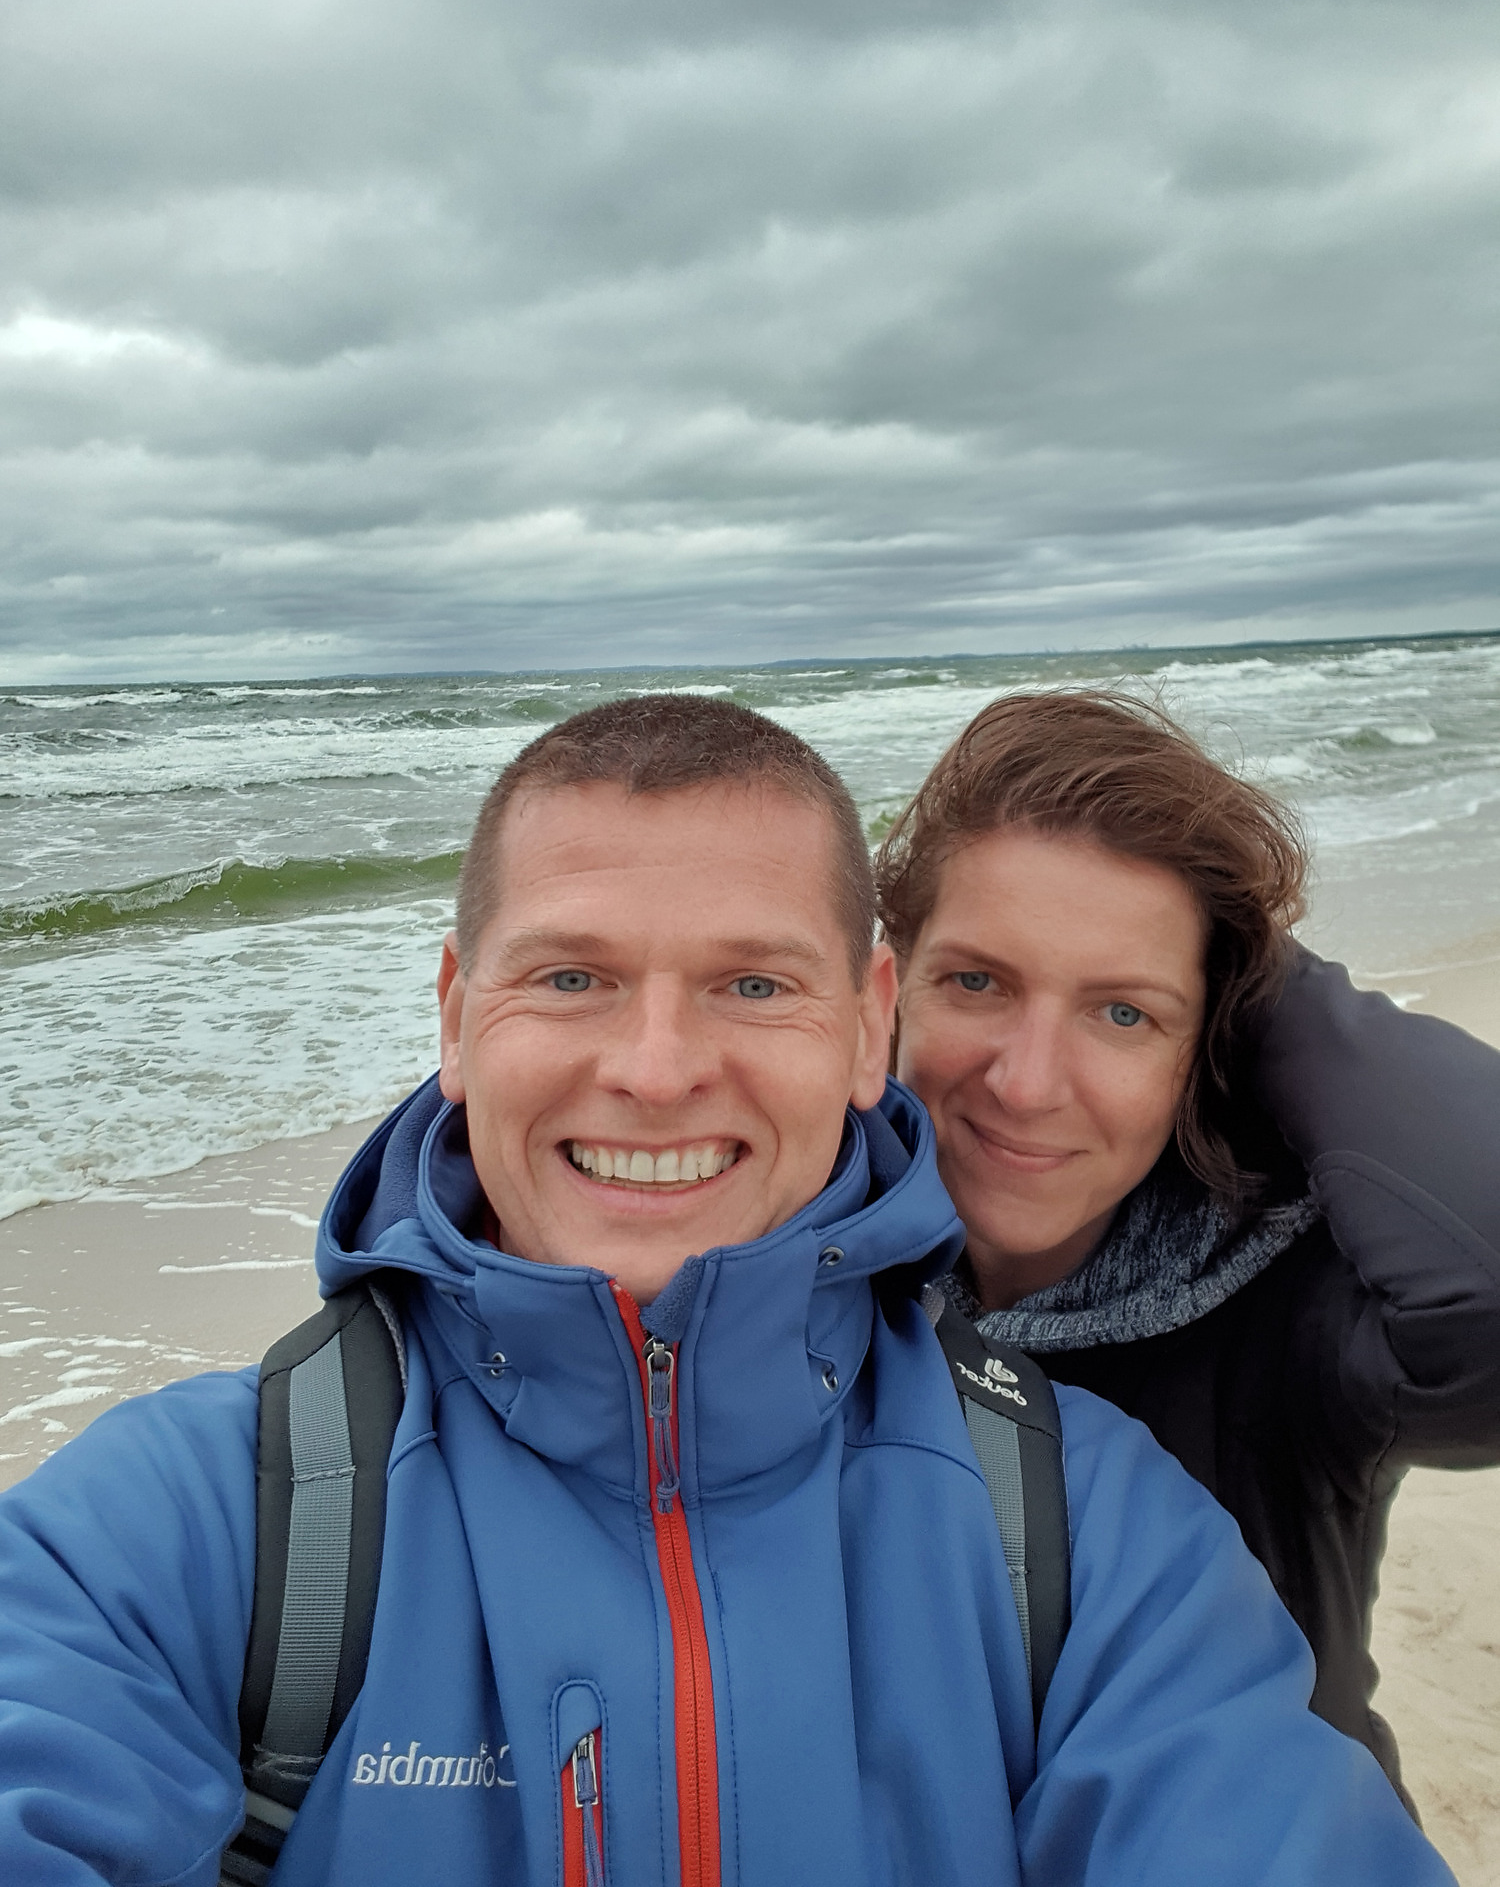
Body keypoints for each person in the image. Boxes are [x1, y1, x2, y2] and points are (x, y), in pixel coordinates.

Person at [0, 695, 1454, 1887]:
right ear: (454, 1014)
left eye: (754, 984)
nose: (654, 1069)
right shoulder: (188, 1525)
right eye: (569, 977)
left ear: (867, 1025)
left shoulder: (1096, 1536)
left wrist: (1237, 948)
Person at [877, 687, 1500, 1801]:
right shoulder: (799, 1274)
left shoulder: (1300, 1309)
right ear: (890, 989)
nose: (1027, 1083)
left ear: (1213, 1045)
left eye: (1124, 1013)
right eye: (976, 981)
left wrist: (1261, 969)